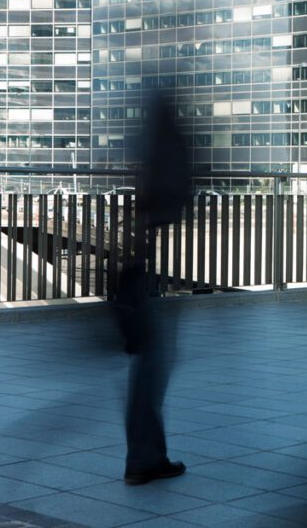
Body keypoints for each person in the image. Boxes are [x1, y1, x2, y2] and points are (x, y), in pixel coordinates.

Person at [113, 92, 192, 486]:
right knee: (151, 363)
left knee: (149, 364)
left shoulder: (147, 135)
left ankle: (147, 455)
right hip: (149, 274)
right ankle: (144, 458)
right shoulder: (161, 138)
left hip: (144, 269)